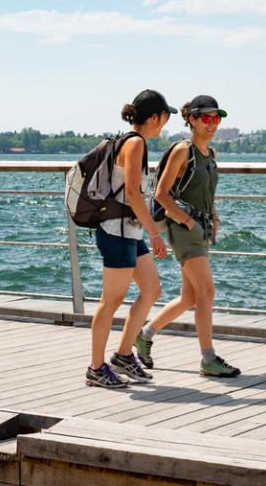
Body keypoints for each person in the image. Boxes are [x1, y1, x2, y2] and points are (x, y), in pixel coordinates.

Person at [136, 95, 240, 378]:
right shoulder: (184, 151)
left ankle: (144, 335)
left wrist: (214, 216)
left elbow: (204, 194)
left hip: (200, 228)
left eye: (216, 118)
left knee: (190, 297)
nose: (212, 123)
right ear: (192, 120)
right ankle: (208, 359)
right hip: (182, 229)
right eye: (206, 118)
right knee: (207, 291)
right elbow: (161, 194)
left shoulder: (211, 154)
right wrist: (188, 222)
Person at [86, 89, 174, 388]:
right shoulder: (135, 144)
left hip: (129, 230)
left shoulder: (133, 141)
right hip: (117, 231)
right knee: (110, 301)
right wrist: (154, 232)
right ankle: (96, 369)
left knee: (151, 289)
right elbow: (134, 193)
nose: (165, 122)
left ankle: (123, 356)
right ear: (154, 117)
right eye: (164, 116)